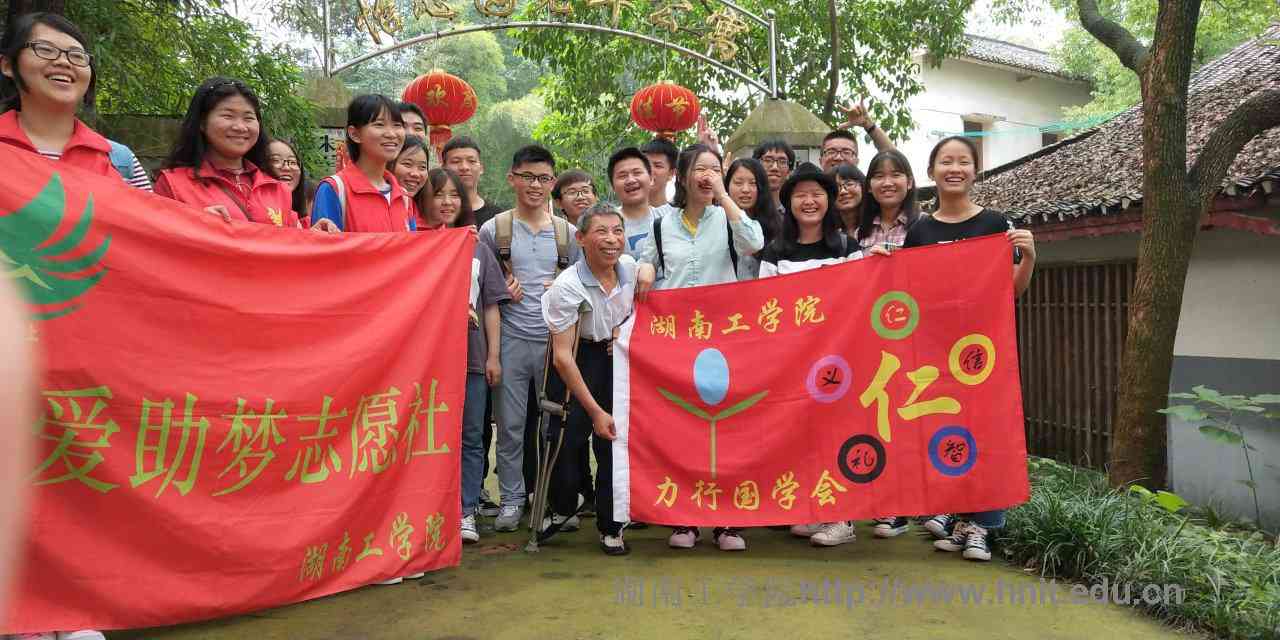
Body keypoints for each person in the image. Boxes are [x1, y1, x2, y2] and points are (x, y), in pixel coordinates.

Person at [890, 136, 1036, 561]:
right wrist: (884, 262)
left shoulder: (995, 224)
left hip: (982, 352)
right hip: (934, 352)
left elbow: (1010, 292)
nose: (954, 169)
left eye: (963, 162)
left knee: (987, 431)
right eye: (946, 161)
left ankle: (985, 526)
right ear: (931, 172)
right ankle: (960, 519)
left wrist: (1028, 258)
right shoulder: (920, 231)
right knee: (947, 432)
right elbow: (906, 292)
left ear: (975, 171)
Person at [635, 143, 763, 551]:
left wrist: (724, 196)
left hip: (724, 338)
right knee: (683, 429)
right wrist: (645, 267)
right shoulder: (662, 224)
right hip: (676, 341)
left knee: (726, 429)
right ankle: (686, 517)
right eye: (701, 169)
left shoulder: (728, 218)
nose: (708, 175)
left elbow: (754, 242)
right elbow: (649, 261)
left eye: (715, 169)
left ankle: (728, 521)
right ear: (683, 175)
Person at [479, 145, 581, 532]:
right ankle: (512, 500)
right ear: (512, 179)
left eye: (543, 178)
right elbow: (483, 288)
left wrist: (564, 286)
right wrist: (503, 287)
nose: (535, 185)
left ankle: (554, 501)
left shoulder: (568, 234)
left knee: (555, 425)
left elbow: (583, 284)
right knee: (509, 427)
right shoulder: (494, 230)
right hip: (509, 339)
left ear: (552, 183)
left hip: (556, 343)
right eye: (527, 177)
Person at [540, 203, 635, 556]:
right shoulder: (567, 286)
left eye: (617, 231)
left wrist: (623, 334)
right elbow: (562, 357)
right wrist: (595, 410)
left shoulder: (629, 269)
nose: (611, 240)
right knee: (565, 440)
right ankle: (565, 504)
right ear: (581, 238)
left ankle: (612, 525)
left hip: (616, 360)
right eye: (601, 231)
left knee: (614, 444)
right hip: (576, 360)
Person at [426, 166, 509, 544]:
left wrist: (494, 356)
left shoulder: (477, 247)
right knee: (429, 436)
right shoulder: (411, 241)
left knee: (472, 436)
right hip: (425, 359)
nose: (446, 202)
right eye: (438, 194)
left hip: (472, 357)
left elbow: (491, 305)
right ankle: (430, 510)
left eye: (453, 195)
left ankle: (466, 510)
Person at [0, 12, 149, 190]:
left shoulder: (121, 161)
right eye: (45, 49)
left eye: (77, 55)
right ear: (7, 65)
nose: (64, 62)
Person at [155, 77, 300, 228]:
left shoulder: (277, 188)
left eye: (248, 118)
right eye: (228, 116)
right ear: (202, 122)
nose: (240, 127)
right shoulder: (173, 184)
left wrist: (313, 235)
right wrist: (195, 225)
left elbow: (291, 239)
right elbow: (158, 238)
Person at [310, 94, 416, 233]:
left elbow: (413, 246)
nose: (392, 134)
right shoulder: (334, 189)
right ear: (354, 134)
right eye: (379, 125)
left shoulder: (403, 197)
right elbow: (324, 244)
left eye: (397, 125)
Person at [723, 157, 781, 280]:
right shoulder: (718, 223)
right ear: (727, 186)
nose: (745, 190)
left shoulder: (776, 225)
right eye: (738, 183)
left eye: (753, 183)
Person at [854, 149, 920, 251]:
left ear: (909, 182)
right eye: (879, 176)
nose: (887, 183)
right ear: (869, 186)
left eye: (895, 175)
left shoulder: (924, 224)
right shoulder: (860, 232)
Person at [607, 147, 661, 257]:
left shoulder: (667, 218)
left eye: (637, 173)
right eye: (622, 176)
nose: (631, 180)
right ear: (613, 186)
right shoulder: (606, 225)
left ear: (651, 179)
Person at [443, 136, 505, 228]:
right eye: (456, 161)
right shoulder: (434, 215)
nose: (464, 167)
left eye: (471, 161)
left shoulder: (498, 217)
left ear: (481, 168)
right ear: (443, 168)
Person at [818, 100, 895, 172]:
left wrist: (868, 124)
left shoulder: (867, 182)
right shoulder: (811, 181)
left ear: (856, 161)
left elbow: (894, 157)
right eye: (831, 152)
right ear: (821, 160)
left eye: (846, 152)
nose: (838, 157)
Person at [390, 135, 432, 229]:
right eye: (407, 164)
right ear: (390, 164)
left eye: (422, 167)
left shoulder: (427, 209)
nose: (415, 174)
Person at [266, 138, 307, 221]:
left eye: (293, 162)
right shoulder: (256, 212)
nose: (287, 167)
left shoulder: (305, 221)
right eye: (276, 160)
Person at [752, 138, 794, 207]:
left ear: (789, 172)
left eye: (782, 162)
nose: (775, 167)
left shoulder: (796, 211)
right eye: (768, 160)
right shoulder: (741, 209)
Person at [639, 137, 678, 212]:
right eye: (645, 164)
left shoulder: (677, 216)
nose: (649, 170)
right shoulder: (620, 215)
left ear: (672, 173)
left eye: (658, 166)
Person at [829, 163, 865, 234]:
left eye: (849, 184)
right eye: (836, 187)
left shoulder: (877, 226)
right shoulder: (827, 231)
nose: (843, 191)